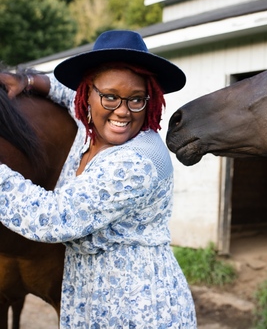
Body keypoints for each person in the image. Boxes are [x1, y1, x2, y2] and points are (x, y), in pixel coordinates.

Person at [0, 30, 196, 328]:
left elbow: (53, 218)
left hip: (136, 309)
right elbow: (66, 93)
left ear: (150, 99)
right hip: (96, 299)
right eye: (110, 96)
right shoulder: (90, 124)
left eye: (136, 100)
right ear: (87, 95)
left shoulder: (136, 159)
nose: (122, 111)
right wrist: (29, 81)